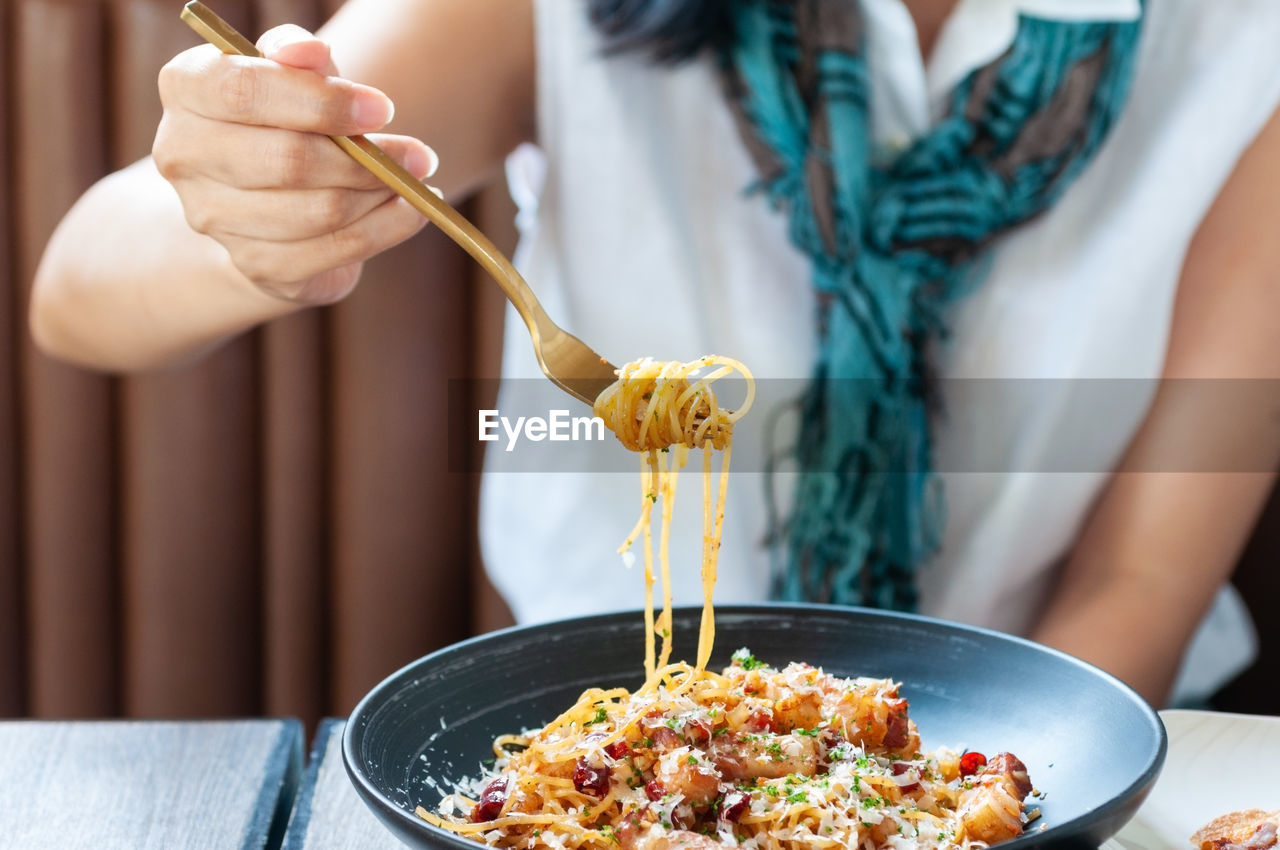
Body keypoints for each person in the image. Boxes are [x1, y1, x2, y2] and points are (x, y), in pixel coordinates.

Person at [29, 0, 1280, 709]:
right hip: (604, 738)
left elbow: (1139, 584)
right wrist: (242, 226)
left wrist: (918, 796)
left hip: (1055, 735)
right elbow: (79, 289)